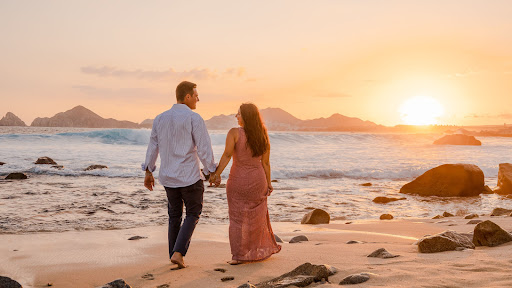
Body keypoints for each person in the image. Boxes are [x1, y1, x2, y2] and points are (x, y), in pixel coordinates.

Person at [142, 81, 219, 269]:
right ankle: (178, 253)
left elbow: (153, 146)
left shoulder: (160, 119)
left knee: (174, 215)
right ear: (187, 97)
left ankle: (174, 255)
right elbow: (204, 148)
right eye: (196, 95)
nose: (198, 98)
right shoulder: (194, 118)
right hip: (189, 177)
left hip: (168, 177)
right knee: (193, 213)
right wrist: (211, 171)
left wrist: (148, 170)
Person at [210, 103, 281, 265]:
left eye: (239, 114)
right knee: (256, 218)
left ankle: (238, 256)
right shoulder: (263, 135)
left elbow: (227, 155)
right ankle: (254, 253)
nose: (236, 116)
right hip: (258, 180)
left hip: (237, 181)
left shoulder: (234, 133)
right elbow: (266, 163)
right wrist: (268, 183)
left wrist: (216, 175)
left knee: (236, 219)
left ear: (246, 116)